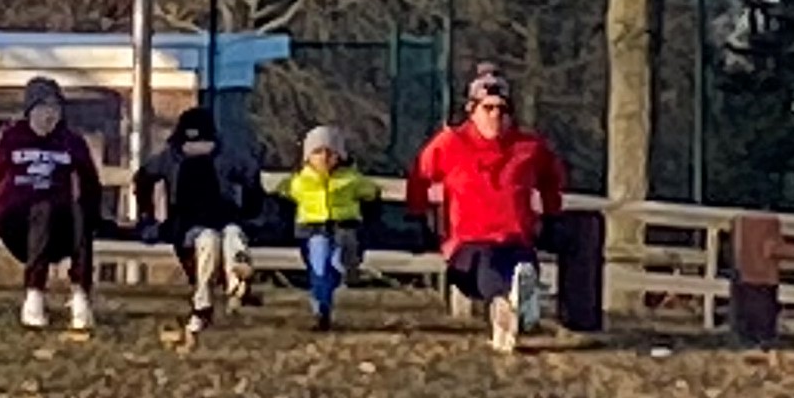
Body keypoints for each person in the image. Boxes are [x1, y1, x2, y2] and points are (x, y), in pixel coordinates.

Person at [406, 64, 567, 354]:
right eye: (488, 108)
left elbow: (552, 178)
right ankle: (506, 307)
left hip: (515, 238)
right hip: (467, 244)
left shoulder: (529, 148)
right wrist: (418, 216)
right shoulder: (451, 143)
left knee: (519, 267)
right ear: (472, 110)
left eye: (502, 110)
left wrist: (552, 215)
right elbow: (419, 174)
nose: (495, 116)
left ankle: (516, 306)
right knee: (486, 266)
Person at [0, 76, 104, 331]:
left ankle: (81, 296)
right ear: (30, 110)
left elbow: (90, 182)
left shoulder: (71, 141)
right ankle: (34, 296)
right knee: (42, 207)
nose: (50, 114)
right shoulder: (10, 138)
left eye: (55, 108)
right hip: (18, 222)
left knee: (78, 214)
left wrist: (92, 214)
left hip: (56, 225)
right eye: (44, 107)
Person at [133, 106, 265, 341]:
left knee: (233, 234)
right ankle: (209, 297)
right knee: (209, 240)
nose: (197, 150)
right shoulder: (170, 157)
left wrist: (251, 211)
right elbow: (144, 178)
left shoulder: (225, 156)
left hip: (223, 216)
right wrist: (148, 217)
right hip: (187, 223)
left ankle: (237, 281)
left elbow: (251, 177)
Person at [275, 124, 382, 331]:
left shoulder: (351, 179)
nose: (324, 157)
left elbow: (371, 192)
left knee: (337, 264)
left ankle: (329, 293)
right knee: (319, 267)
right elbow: (283, 191)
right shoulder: (299, 182)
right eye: (317, 152)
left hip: (344, 228)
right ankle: (321, 309)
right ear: (307, 157)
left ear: (339, 156)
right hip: (313, 229)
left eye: (330, 152)